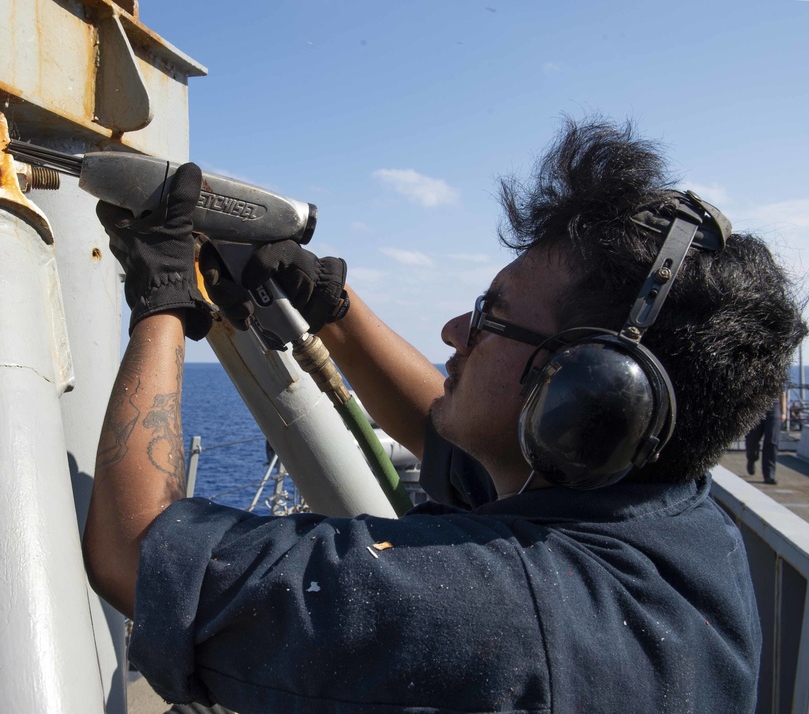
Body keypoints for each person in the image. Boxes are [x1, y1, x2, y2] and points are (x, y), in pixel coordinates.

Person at [82, 118, 807, 713]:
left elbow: (134, 555)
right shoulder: (669, 518)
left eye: (491, 315)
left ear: (589, 392)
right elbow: (438, 426)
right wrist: (330, 307)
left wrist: (164, 302)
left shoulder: (500, 613)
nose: (454, 330)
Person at [745, 393, 788, 484]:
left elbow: (783, 392)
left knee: (771, 442)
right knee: (751, 440)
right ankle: (751, 458)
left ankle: (769, 475)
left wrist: (784, 412)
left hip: (774, 406)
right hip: (756, 406)